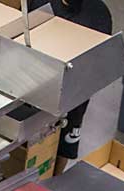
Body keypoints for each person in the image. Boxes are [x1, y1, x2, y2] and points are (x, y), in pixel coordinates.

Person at [29, 0, 112, 174]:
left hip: (77, 90)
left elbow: (100, 57)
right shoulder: (40, 3)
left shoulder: (99, 13)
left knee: (66, 144)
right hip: (40, 83)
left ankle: (56, 180)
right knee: (35, 142)